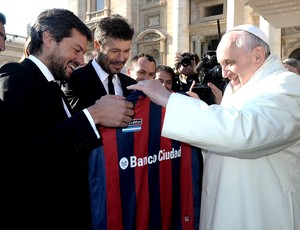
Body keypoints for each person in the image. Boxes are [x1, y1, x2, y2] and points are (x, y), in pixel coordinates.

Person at [128, 24, 300, 230]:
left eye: (229, 62)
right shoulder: (239, 86)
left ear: (258, 55)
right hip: (225, 207)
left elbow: (247, 134)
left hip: (261, 215)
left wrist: (171, 101)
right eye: (221, 64)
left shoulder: (287, 86)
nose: (224, 73)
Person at [0, 9, 134, 229]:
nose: (81, 60)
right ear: (49, 39)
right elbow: (21, 153)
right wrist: (94, 114)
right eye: (76, 50)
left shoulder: (53, 85)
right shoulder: (16, 75)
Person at [63, 14, 137, 113]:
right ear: (97, 45)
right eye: (114, 51)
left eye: (126, 51)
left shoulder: (132, 85)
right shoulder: (74, 81)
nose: (121, 58)